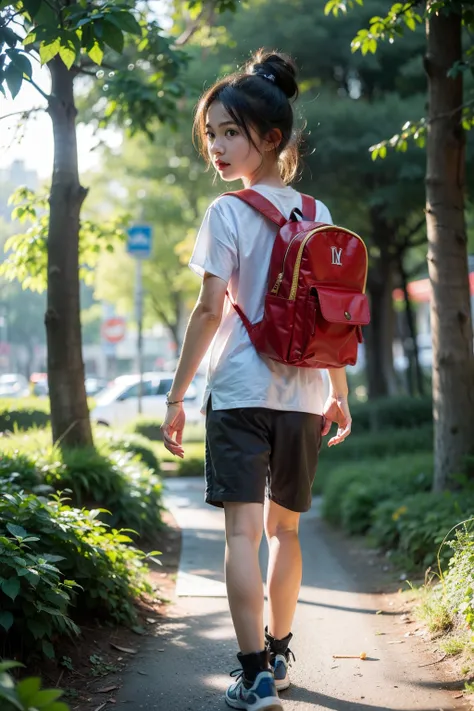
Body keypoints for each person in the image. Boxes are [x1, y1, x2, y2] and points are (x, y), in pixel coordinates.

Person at [161, 49, 352, 711]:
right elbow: (329, 312)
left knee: (242, 534)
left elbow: (211, 309)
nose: (216, 145)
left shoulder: (226, 215)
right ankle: (280, 655)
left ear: (271, 139)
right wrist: (340, 394)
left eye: (230, 132)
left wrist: (179, 394)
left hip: (241, 391)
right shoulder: (317, 207)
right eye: (210, 133)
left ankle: (255, 675)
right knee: (286, 533)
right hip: (303, 393)